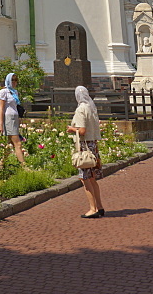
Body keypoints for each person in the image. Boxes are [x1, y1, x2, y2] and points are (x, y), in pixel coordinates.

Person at [67, 85, 104, 218]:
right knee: (93, 179)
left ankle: (92, 209)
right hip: (93, 145)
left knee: (86, 179)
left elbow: (82, 131)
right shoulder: (91, 108)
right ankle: (99, 206)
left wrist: (71, 129)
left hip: (84, 148)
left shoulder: (81, 109)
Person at [0, 72, 27, 166]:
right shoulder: (3, 92)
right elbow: (1, 109)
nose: (14, 82)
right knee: (17, 144)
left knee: (10, 143)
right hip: (8, 118)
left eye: (15, 80)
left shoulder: (15, 92)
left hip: (15, 118)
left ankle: (0, 164)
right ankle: (24, 166)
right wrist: (0, 124)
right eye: (12, 80)